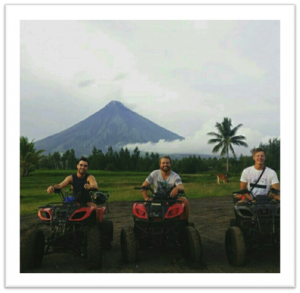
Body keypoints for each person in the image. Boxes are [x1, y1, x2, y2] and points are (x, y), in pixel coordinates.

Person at [141, 155, 190, 220]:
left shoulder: (175, 176)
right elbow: (144, 186)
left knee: (185, 201)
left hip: (171, 198)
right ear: (160, 164)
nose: (165, 165)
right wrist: (146, 198)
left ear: (170, 164)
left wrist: (177, 188)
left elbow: (181, 188)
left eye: (167, 163)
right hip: (156, 198)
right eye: (163, 163)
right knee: (143, 209)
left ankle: (185, 222)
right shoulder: (154, 173)